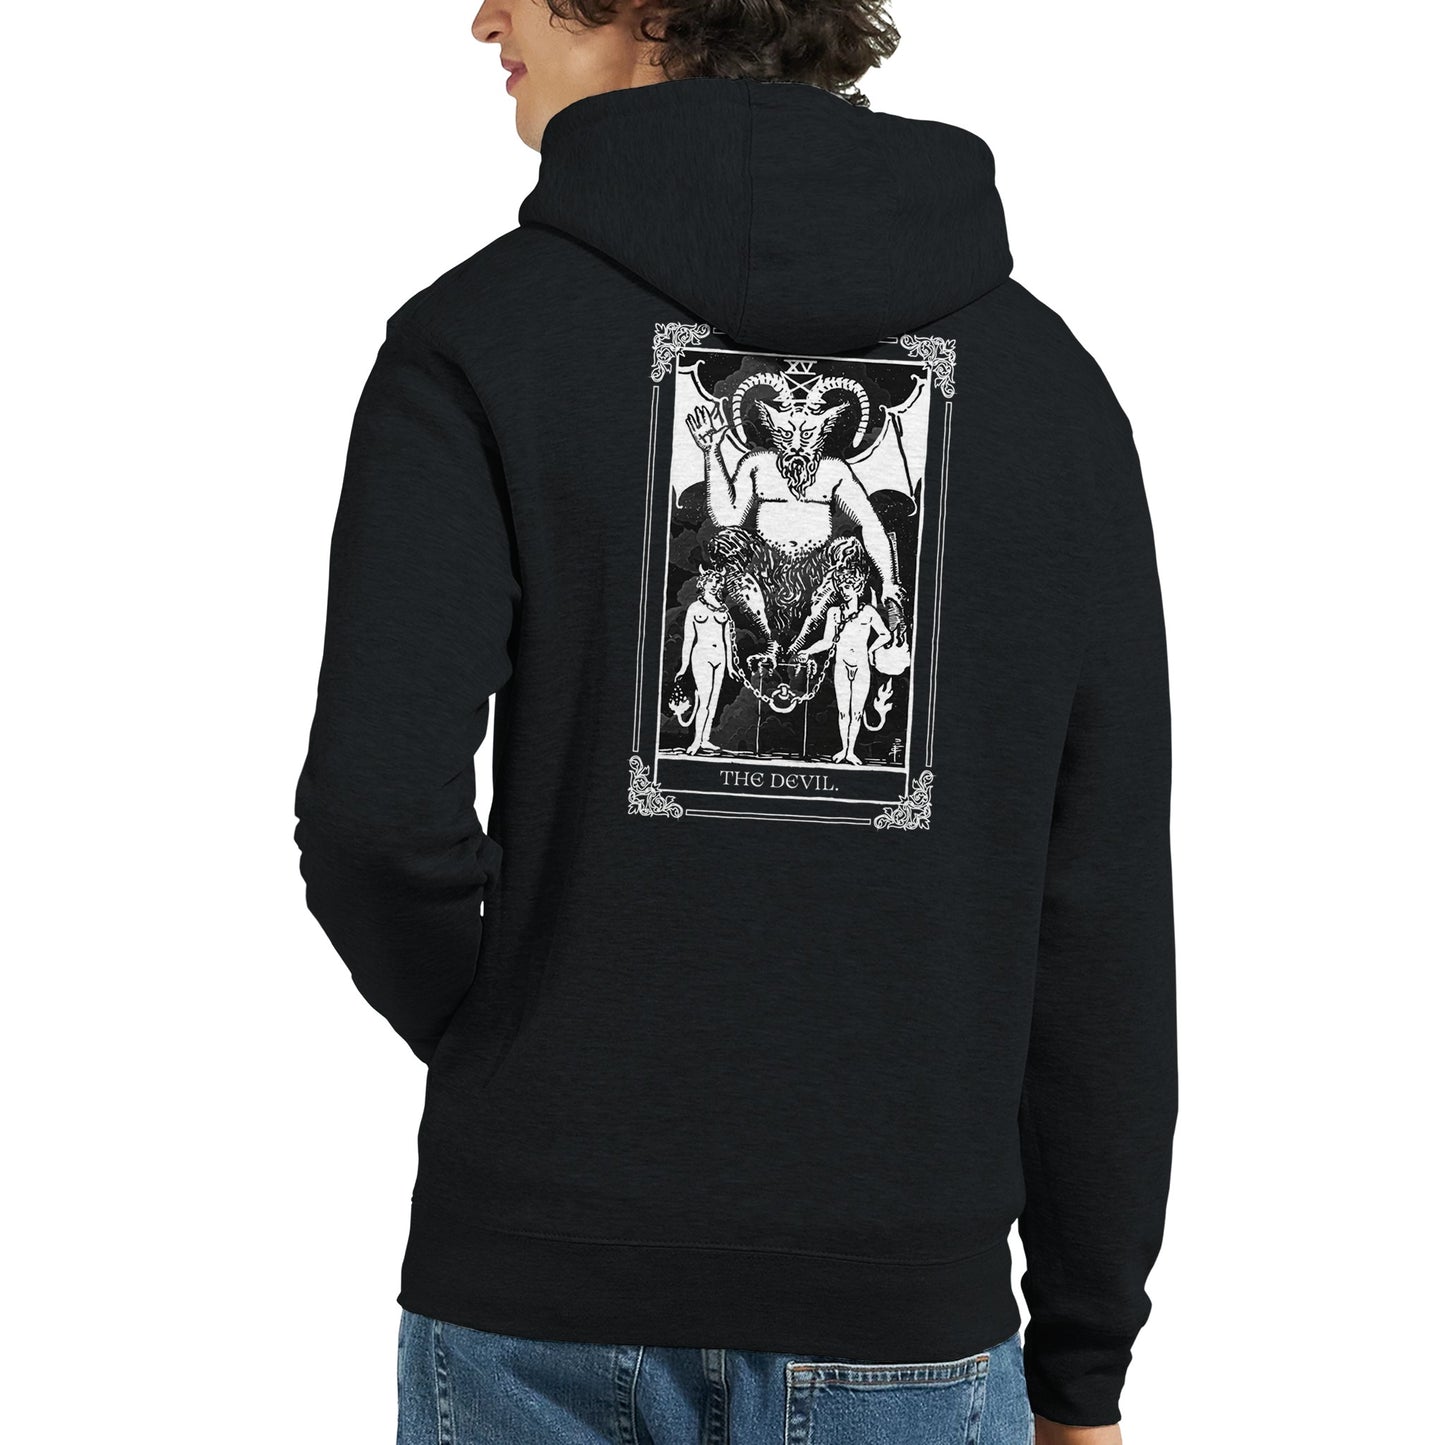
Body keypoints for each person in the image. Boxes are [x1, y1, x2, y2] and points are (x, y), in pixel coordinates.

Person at [295, 3, 1176, 1443]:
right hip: (902, 1312)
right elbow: (1098, 910)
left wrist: (521, 1046)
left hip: (533, 1284)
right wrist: (1085, 1361)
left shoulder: (476, 342)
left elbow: (372, 820)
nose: (480, 17)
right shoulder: (1050, 392)